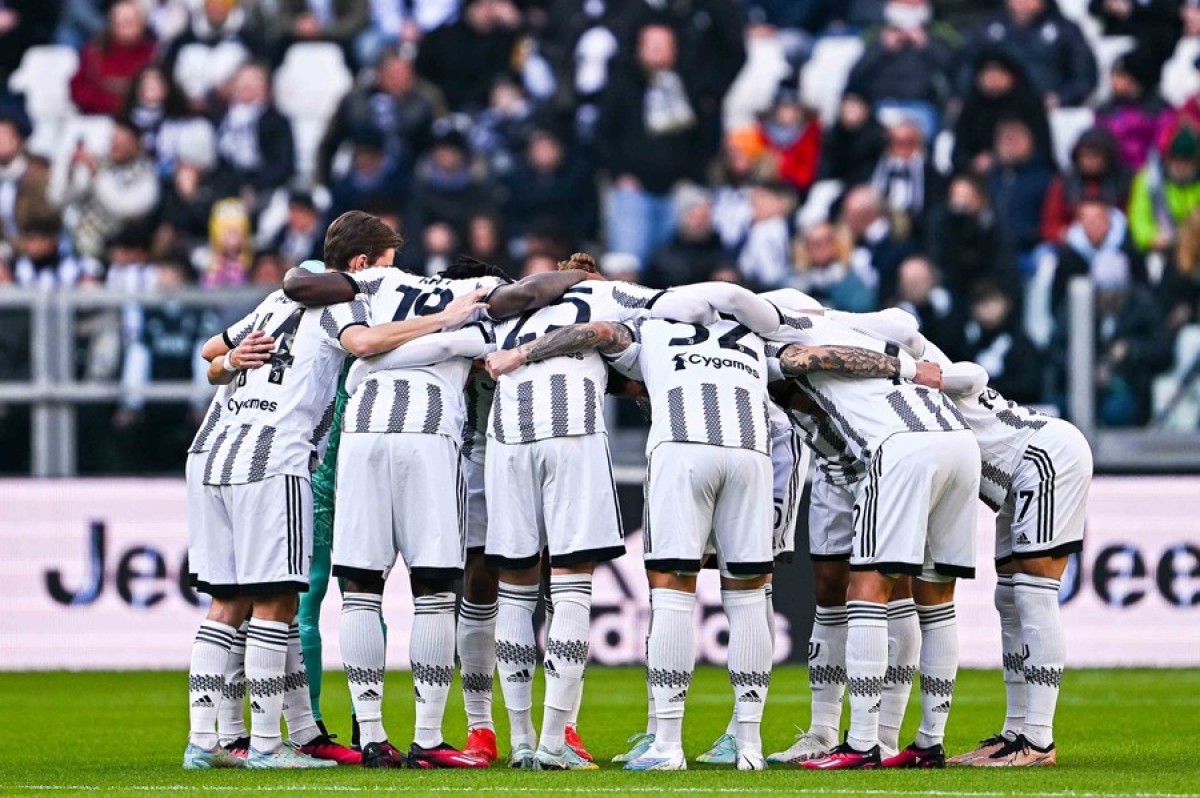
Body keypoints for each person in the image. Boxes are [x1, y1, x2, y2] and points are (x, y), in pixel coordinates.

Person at [183, 211, 447, 770]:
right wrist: (444, 319)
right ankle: (265, 745)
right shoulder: (342, 304)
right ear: (360, 264)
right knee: (277, 602)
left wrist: (228, 361)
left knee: (226, 602)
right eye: (385, 266)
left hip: (214, 454)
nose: (388, 277)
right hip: (275, 458)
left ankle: (204, 741)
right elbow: (366, 343)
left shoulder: (276, 302)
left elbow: (210, 351)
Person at [767, 309, 981, 770]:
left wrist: (905, 365)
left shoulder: (813, 338)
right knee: (922, 595)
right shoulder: (878, 349)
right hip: (924, 449)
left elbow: (903, 327)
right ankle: (910, 741)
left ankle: (870, 741)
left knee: (875, 587)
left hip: (891, 450)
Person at [596, 23, 705, 268]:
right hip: (632, 192)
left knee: (668, 270)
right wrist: (619, 173)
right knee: (628, 268)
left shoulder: (684, 85)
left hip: (674, 192)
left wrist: (690, 176)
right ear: (640, 48)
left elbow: (699, 136)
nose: (658, 52)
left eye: (664, 46)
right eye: (652, 45)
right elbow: (603, 135)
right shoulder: (622, 85)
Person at [959, 0, 1097, 108]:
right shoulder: (987, 30)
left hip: (1053, 111)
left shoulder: (1066, 31)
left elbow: (1084, 77)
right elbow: (966, 67)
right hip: (995, 109)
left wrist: (1060, 99)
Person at [952, 49, 1053, 175]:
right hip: (981, 175)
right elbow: (959, 154)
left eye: (998, 72)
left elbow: (1044, 150)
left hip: (1027, 171)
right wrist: (974, 163)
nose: (993, 78)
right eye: (987, 73)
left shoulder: (1028, 104)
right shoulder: (972, 108)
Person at [214, 62, 295, 213]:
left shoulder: (277, 121)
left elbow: (283, 165)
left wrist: (253, 185)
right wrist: (238, 186)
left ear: (266, 86)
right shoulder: (219, 120)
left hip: (267, 189)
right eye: (242, 80)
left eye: (254, 80)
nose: (247, 85)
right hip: (228, 188)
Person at [928, 173, 1019, 304]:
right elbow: (938, 257)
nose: (960, 203)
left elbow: (1003, 262)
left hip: (988, 285)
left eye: (966, 196)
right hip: (952, 284)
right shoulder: (942, 222)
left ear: (980, 198)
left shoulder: (995, 224)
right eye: (956, 196)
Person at [1040, 127, 1128, 244]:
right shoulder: (1063, 184)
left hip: (1115, 241)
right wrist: (1067, 235)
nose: (1090, 160)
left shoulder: (1123, 182)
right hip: (1071, 244)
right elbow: (1050, 226)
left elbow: (1131, 219)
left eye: (1096, 155)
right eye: (1085, 155)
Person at [69, 1, 157, 116]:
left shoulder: (153, 53)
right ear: (112, 24)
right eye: (122, 22)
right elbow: (78, 90)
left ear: (142, 24)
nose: (127, 28)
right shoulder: (94, 52)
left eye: (132, 22)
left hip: (139, 117)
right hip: (98, 116)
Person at [642, 184, 738, 289]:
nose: (701, 223)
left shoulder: (723, 255)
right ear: (683, 218)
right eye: (696, 217)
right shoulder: (662, 258)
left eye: (705, 217)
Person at [1096, 48, 1177, 173]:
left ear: (1134, 80)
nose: (1113, 80)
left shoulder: (1160, 111)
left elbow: (1164, 146)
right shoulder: (1105, 110)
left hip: (1149, 174)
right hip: (1113, 176)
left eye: (1120, 76)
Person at [868, 118, 945, 244]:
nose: (902, 149)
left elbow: (934, 210)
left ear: (919, 145)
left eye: (909, 143)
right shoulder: (874, 169)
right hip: (877, 230)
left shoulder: (932, 176)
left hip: (918, 234)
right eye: (897, 143)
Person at [1127, 122, 1200, 253]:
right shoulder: (1149, 179)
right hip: (1162, 247)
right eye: (1176, 161)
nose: (1180, 167)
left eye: (1186, 162)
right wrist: (1150, 238)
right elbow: (1139, 220)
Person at [790, 222, 876, 313]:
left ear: (836, 244)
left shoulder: (850, 280)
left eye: (826, 241)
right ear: (806, 249)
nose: (821, 248)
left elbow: (863, 307)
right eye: (815, 244)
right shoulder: (796, 283)